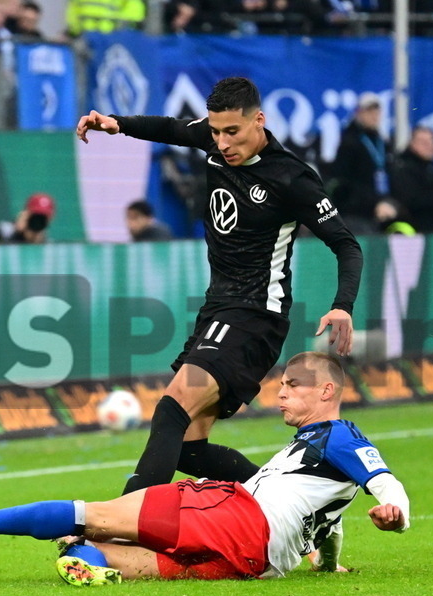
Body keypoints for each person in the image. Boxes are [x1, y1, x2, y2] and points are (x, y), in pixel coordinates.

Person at [76, 77, 363, 496]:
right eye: (215, 132)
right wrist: (117, 123)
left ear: (259, 120)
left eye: (233, 131)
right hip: (219, 308)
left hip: (254, 315)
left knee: (172, 409)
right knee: (188, 449)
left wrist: (343, 305)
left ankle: (121, 527)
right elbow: (173, 128)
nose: (223, 142)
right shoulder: (215, 141)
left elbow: (346, 245)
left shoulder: (292, 178)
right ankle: (292, 510)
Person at [0, 352, 411, 586]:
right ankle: (91, 562)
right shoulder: (317, 452)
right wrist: (327, 563)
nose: (280, 393)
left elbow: (383, 481)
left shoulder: (340, 434)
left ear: (327, 392)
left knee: (94, 513)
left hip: (233, 514)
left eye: (293, 386)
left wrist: (396, 510)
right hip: (256, 563)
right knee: (134, 560)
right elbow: (329, 514)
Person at [323, 92, 397, 235]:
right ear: (359, 114)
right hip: (356, 213)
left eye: (376, 112)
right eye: (369, 112)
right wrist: (374, 204)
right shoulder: (350, 143)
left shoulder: (383, 143)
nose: (374, 116)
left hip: (382, 209)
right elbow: (345, 183)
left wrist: (388, 202)